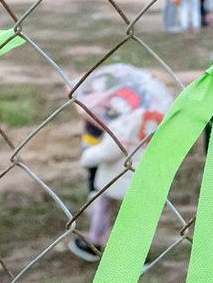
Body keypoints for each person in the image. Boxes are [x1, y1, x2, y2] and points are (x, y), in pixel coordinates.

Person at [71, 66, 172, 262]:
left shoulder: (125, 125)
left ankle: (95, 242)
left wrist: (88, 157)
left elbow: (108, 151)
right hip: (144, 179)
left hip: (113, 179)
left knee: (102, 208)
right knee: (136, 218)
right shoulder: (156, 121)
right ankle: (136, 255)